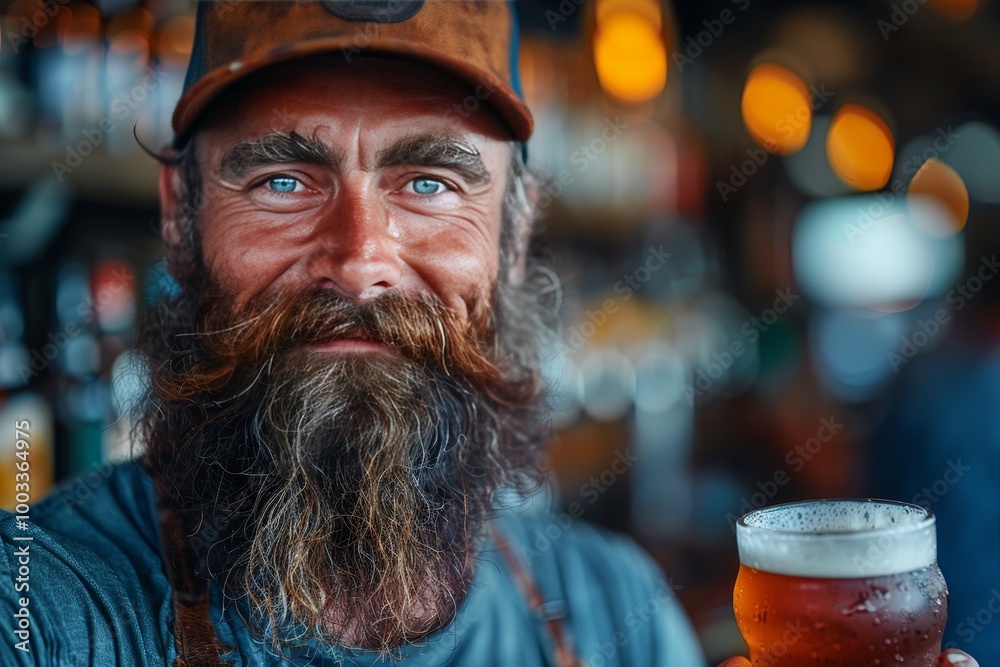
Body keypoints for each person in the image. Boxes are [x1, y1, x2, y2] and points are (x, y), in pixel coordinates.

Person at [0, 2, 979, 666]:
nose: (361, 259)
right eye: (282, 181)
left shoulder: (615, 615)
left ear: (514, 230)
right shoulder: (43, 614)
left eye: (428, 182)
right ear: (180, 215)